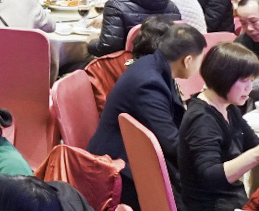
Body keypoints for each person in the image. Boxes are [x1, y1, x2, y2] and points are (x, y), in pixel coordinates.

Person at [172, 42, 259, 211]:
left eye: (251, 81)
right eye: (244, 81)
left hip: (231, 209)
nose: (250, 88)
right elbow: (211, 176)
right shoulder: (201, 119)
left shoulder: (227, 107)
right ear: (223, 78)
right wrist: (257, 156)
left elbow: (254, 143)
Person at [87, 19, 204, 164]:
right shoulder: (149, 84)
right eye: (200, 60)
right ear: (188, 61)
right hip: (117, 165)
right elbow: (172, 144)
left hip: (132, 154)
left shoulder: (154, 63)